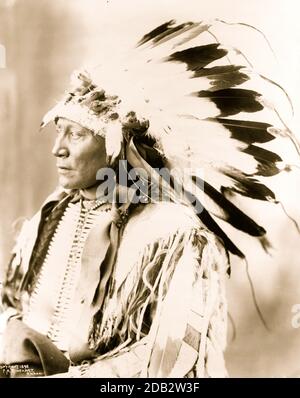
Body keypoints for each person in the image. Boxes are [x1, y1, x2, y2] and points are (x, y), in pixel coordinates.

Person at [0, 19, 296, 378]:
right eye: (58, 133)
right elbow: (12, 303)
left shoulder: (173, 233)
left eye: (75, 135)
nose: (57, 150)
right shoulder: (47, 219)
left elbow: (173, 360)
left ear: (116, 146)